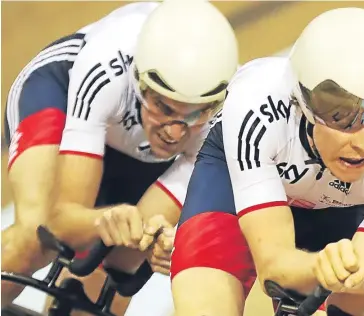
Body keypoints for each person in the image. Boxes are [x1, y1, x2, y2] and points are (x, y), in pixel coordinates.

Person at [169, 7, 364, 316]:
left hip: (340, 211)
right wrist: (318, 267)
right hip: (235, 188)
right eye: (343, 119)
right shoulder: (256, 105)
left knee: (355, 302)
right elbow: (273, 266)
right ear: (303, 106)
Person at [1, 1, 238, 315]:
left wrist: (153, 243)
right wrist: (103, 220)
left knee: (106, 286)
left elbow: (125, 261)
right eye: (164, 107)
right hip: (61, 94)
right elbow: (59, 223)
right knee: (34, 235)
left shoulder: (222, 129)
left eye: (195, 114)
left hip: (135, 149)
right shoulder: (106, 69)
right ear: (139, 83)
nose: (175, 132)